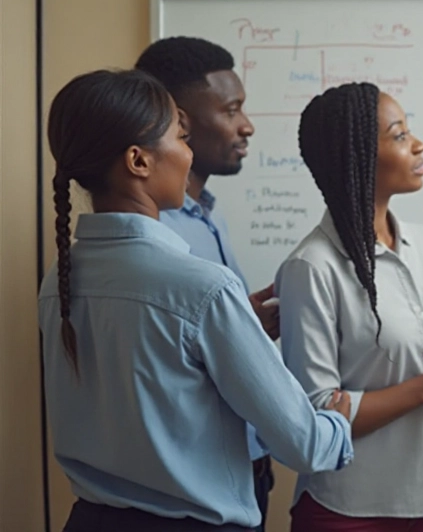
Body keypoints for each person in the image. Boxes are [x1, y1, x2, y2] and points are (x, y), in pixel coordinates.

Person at [39, 69, 354, 532]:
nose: (187, 155)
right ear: (138, 161)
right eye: (180, 137)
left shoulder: (58, 282)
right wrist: (336, 423)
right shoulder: (201, 288)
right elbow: (302, 443)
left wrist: (234, 329)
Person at [276, 82, 423, 532]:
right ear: (355, 156)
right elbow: (319, 413)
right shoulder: (311, 267)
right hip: (351, 509)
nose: (418, 144)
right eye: (399, 135)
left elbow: (397, 354)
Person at [135, 36, 278, 531]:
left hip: (249, 469)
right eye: (231, 109)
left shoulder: (206, 217)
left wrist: (248, 323)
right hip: (198, 493)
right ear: (178, 120)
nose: (246, 125)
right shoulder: (157, 236)